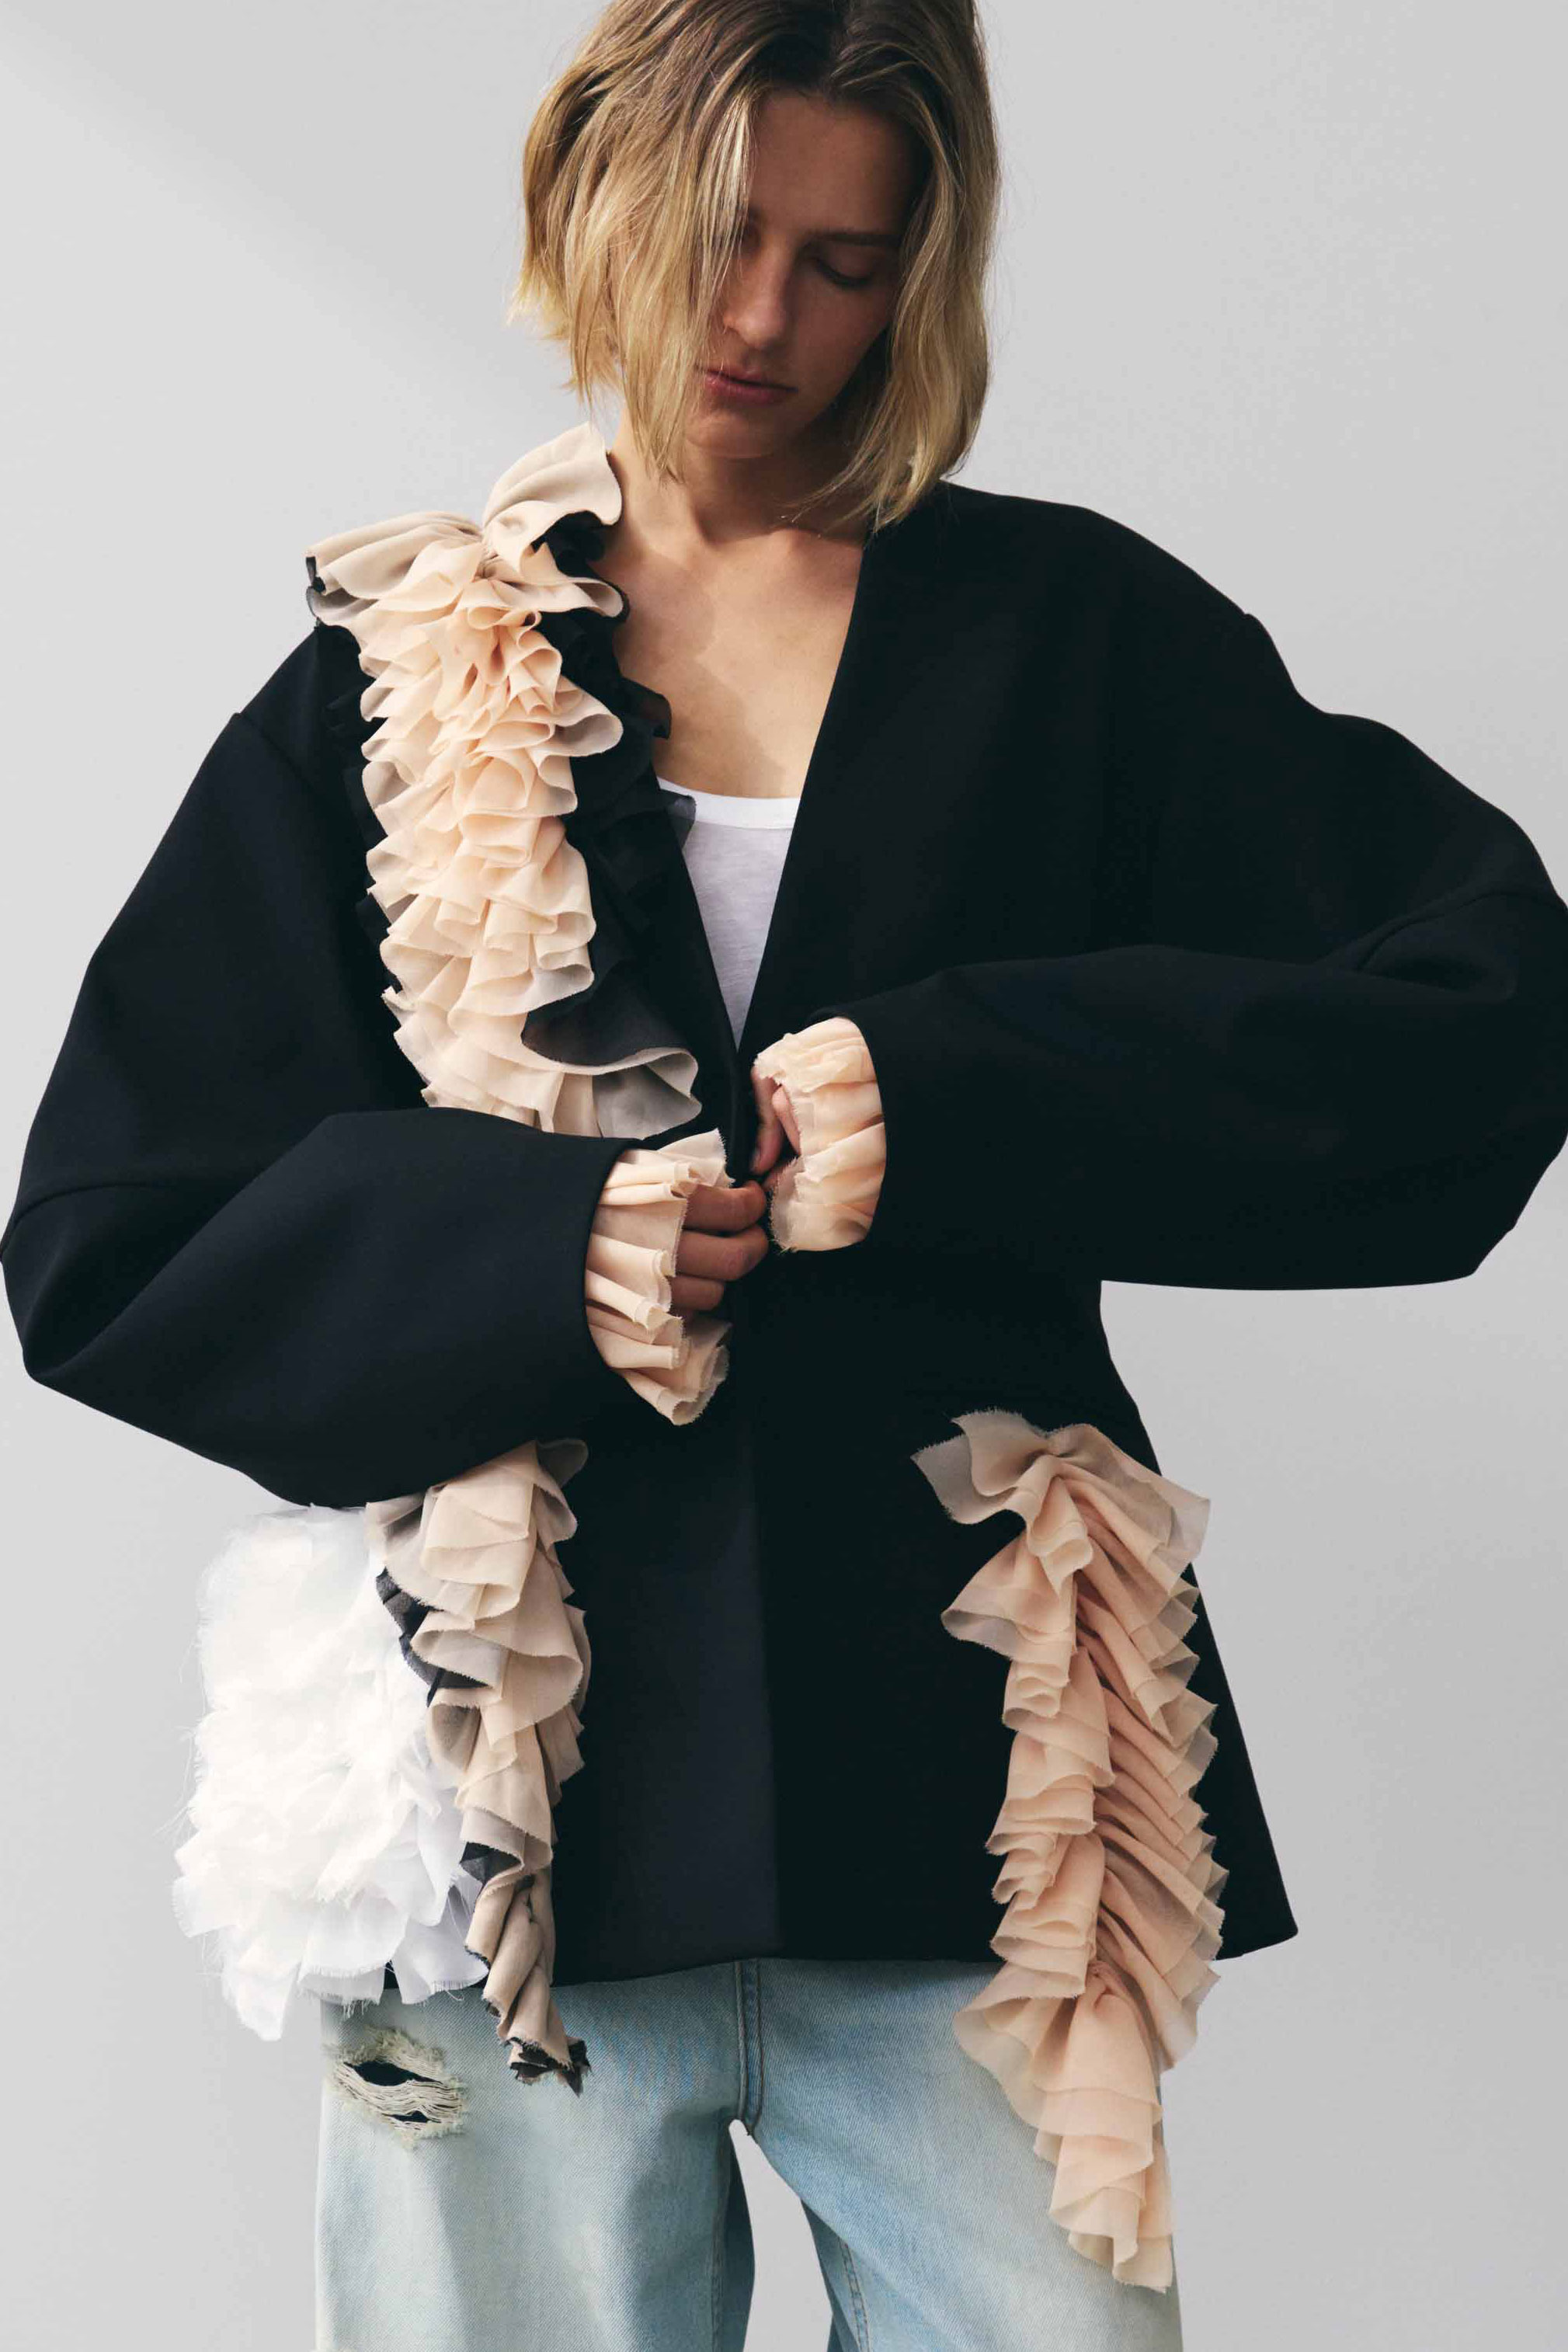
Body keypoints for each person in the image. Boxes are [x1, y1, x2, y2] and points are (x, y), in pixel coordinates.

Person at [5, 3, 1567, 2347]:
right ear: (597, 195)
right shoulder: (397, 677)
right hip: (503, 1831)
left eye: (847, 263)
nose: (765, 321)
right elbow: (113, 1240)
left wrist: (972, 1091)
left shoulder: (1077, 643)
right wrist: (550, 1253)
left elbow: (1480, 1020)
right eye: (725, 235)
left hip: (962, 1812)